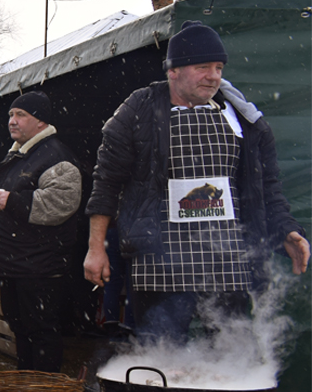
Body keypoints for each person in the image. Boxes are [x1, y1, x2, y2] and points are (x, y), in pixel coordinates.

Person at [84, 21, 309, 343]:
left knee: (230, 359)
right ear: (172, 71)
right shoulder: (139, 110)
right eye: (203, 67)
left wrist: (287, 229)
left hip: (229, 261)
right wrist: (96, 249)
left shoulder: (245, 120)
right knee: (160, 359)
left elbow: (266, 188)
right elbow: (105, 183)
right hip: (159, 263)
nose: (214, 76)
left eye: (218, 67)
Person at [0, 91, 82, 373]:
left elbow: (62, 203)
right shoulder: (19, 154)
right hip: (17, 262)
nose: (12, 121)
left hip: (40, 265)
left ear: (40, 121)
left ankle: (43, 387)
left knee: (40, 329)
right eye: (11, 115)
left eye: (20, 115)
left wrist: (14, 201)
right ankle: (26, 382)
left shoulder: (56, 156)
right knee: (20, 325)